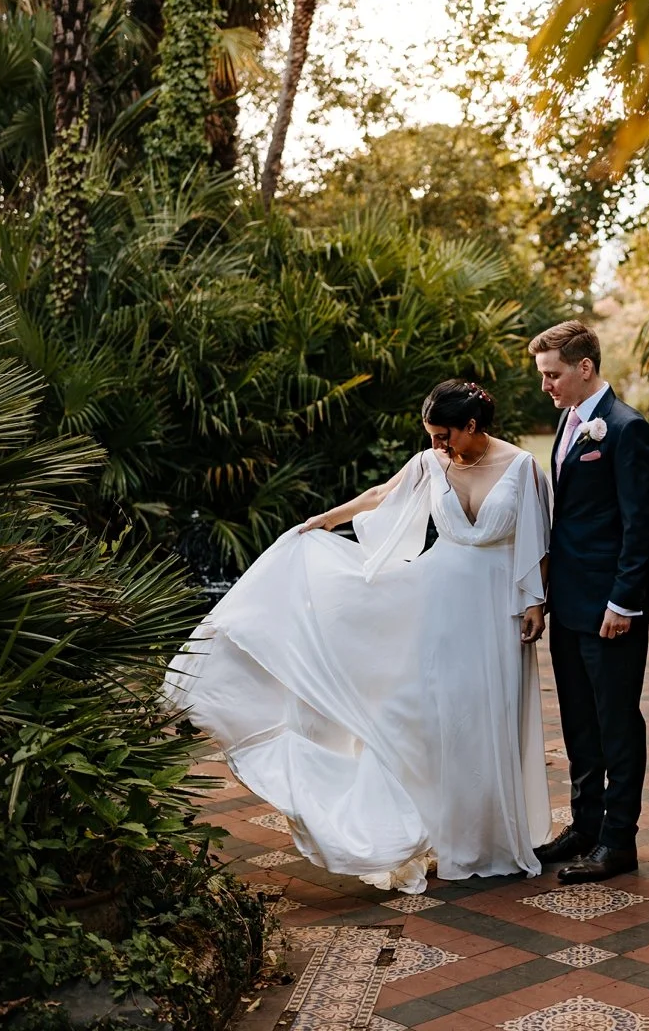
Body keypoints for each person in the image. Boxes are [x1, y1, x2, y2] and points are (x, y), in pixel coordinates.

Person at [162, 380, 551, 893]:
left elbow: (539, 537)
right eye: (431, 435)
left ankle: (491, 840)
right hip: (438, 604)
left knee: (490, 717)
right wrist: (321, 522)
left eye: (444, 435)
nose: (437, 445)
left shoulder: (522, 467)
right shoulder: (432, 462)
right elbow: (378, 496)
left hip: (497, 608)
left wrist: (535, 601)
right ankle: (423, 831)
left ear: (472, 426)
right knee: (422, 716)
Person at [527, 321, 649, 884]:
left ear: (585, 367)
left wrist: (623, 603)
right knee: (580, 722)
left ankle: (618, 840)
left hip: (611, 609)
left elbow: (640, 525)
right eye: (542, 376)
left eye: (553, 374)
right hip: (570, 603)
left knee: (617, 723)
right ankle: (584, 825)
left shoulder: (628, 430)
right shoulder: (568, 422)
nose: (546, 387)